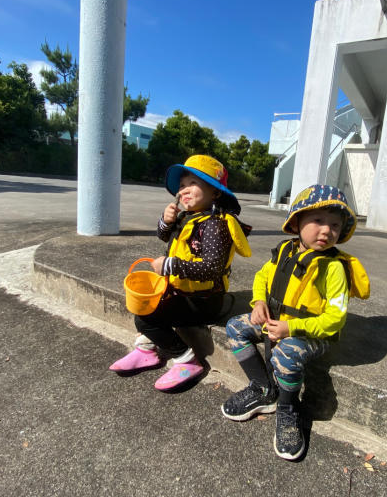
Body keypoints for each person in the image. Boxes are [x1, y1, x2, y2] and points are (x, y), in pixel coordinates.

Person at [221, 184, 369, 460]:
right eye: (317, 221)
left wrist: (292, 328)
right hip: (277, 320)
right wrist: (258, 303)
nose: (326, 230)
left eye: (335, 225)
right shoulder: (285, 250)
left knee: (286, 354)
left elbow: (335, 320)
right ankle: (263, 388)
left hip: (313, 333)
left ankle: (288, 407)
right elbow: (263, 277)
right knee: (235, 327)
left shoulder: (333, 268)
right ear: (297, 222)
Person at [109, 155, 251, 391]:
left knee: (145, 317)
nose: (184, 190)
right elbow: (164, 236)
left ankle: (187, 360)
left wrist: (170, 266)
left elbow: (212, 269)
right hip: (182, 291)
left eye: (193, 184)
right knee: (144, 306)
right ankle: (146, 349)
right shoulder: (187, 217)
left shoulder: (216, 224)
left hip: (204, 300)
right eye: (182, 186)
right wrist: (165, 221)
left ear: (215, 192)